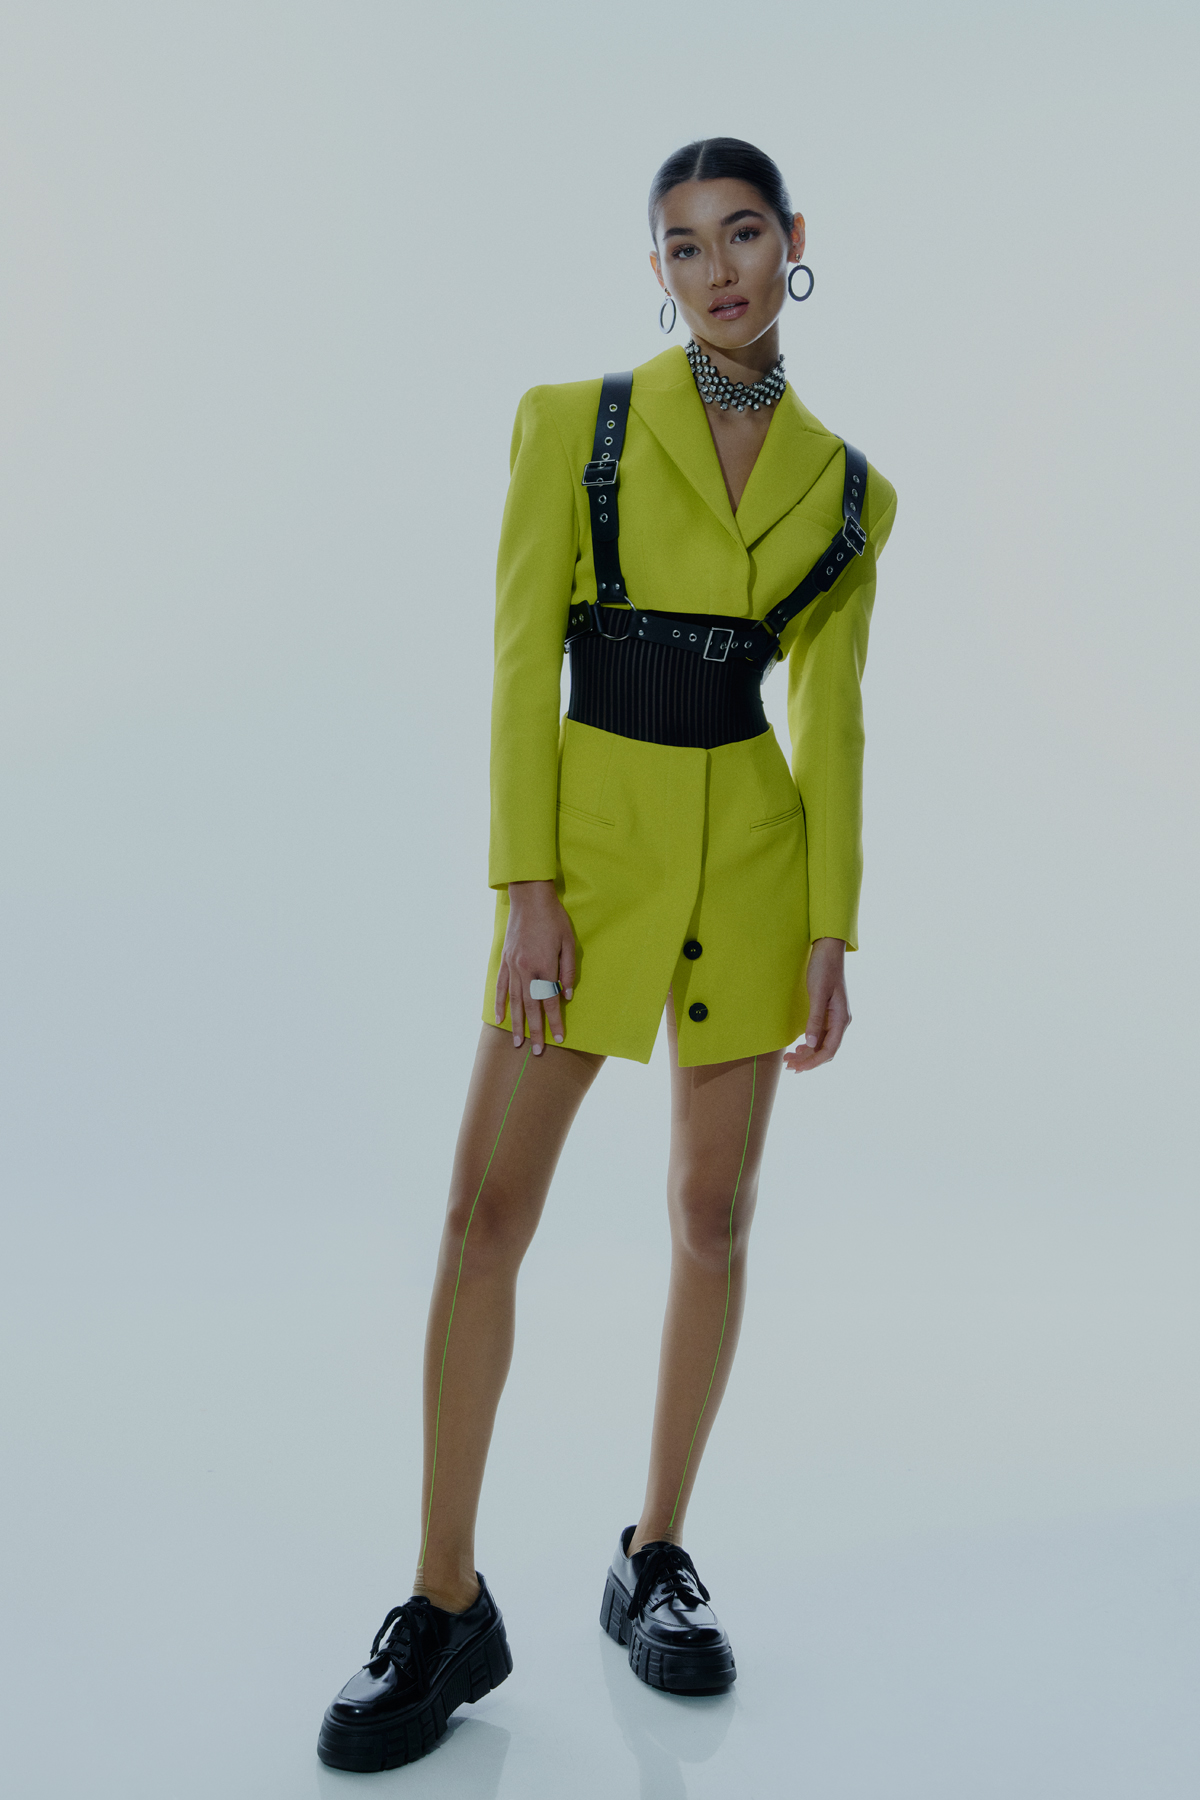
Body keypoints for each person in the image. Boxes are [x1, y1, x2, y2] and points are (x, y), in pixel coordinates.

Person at [317, 136, 897, 1773]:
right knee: (482, 1216)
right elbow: (521, 660)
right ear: (656, 268)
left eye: (743, 234)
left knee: (713, 1216)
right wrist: (528, 884)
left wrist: (833, 925)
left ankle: (655, 1558)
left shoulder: (852, 490)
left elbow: (835, 722)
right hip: (589, 869)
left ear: (794, 241)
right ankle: (444, 1602)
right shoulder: (573, 423)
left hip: (755, 864)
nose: (717, 270)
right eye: (683, 246)